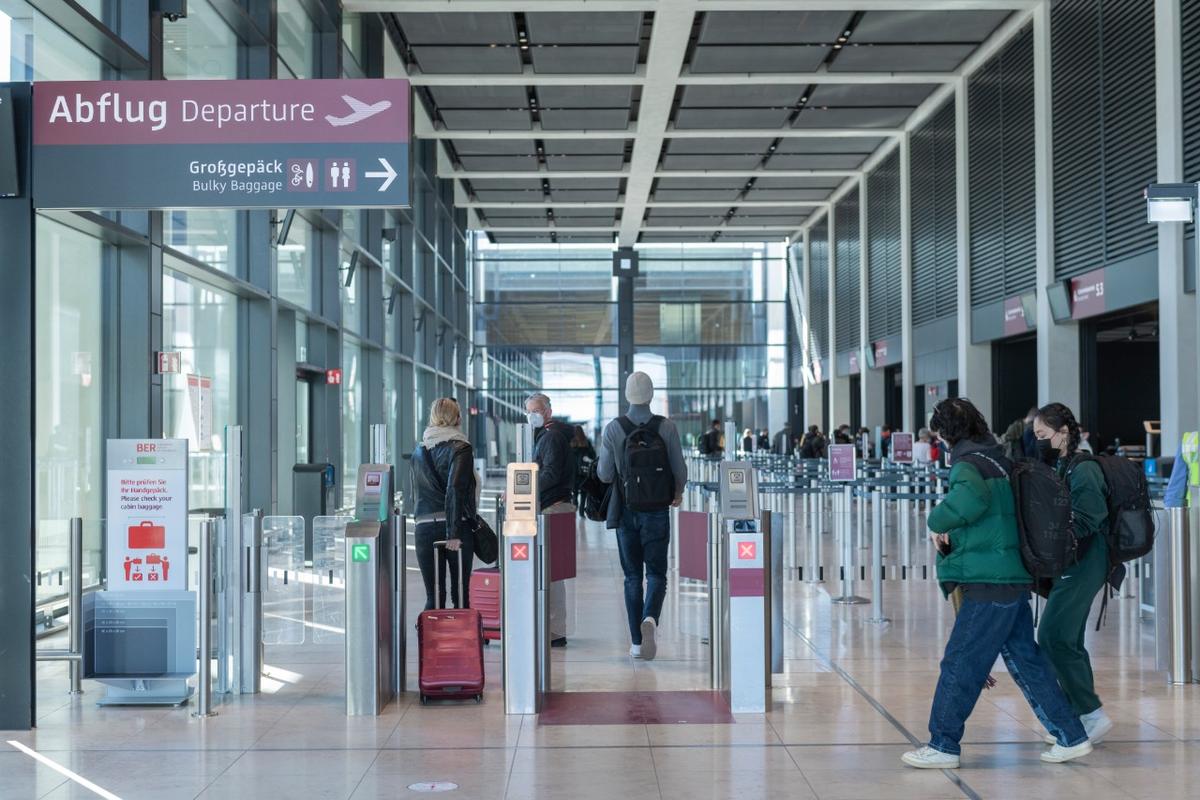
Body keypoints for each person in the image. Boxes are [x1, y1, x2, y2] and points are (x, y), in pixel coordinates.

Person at [901, 397, 1091, 769]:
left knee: (961, 662)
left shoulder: (968, 464)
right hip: (1011, 575)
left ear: (945, 432)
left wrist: (936, 520)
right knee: (1026, 661)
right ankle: (1071, 735)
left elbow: (969, 501)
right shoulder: (996, 456)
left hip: (989, 580)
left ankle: (943, 744)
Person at [1031, 402, 1114, 745]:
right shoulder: (1062, 465)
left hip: (1085, 562)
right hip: (1073, 562)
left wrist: (1055, 540)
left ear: (1063, 433)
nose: (1037, 441)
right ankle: (1081, 715)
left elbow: (1089, 516)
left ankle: (1090, 713)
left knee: (1052, 636)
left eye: (1042, 435)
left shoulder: (1083, 469)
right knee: (1067, 639)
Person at [597, 372, 688, 661]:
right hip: (658, 510)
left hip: (626, 511)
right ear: (650, 395)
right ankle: (651, 618)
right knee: (657, 574)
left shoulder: (614, 428)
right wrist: (677, 492)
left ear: (627, 395)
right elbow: (680, 469)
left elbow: (604, 473)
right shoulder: (667, 426)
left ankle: (636, 643)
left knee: (632, 576)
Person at [411, 397, 478, 610]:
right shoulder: (461, 448)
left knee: (434, 594)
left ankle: (432, 641)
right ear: (457, 418)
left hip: (424, 527)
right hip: (455, 525)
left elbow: (416, 492)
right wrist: (454, 533)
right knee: (460, 593)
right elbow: (455, 490)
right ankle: (462, 640)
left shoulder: (419, 451)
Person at [525, 392, 576, 647]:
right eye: (529, 411)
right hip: (553, 506)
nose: (532, 415)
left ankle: (555, 630)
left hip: (554, 507)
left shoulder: (552, 436)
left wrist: (523, 486)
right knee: (550, 571)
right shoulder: (546, 436)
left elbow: (551, 473)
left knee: (552, 571)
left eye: (536, 410)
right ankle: (552, 626)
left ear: (548, 411)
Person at [1164, 430, 1199, 508]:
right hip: (1195, 512)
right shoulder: (1189, 441)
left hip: (1195, 512)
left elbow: (1175, 492)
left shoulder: (1190, 441)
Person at [570, 425, 597, 514]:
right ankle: (581, 510)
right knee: (584, 492)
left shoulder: (571, 443)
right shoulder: (586, 442)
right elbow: (593, 455)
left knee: (574, 492)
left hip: (573, 471)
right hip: (584, 471)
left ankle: (574, 506)